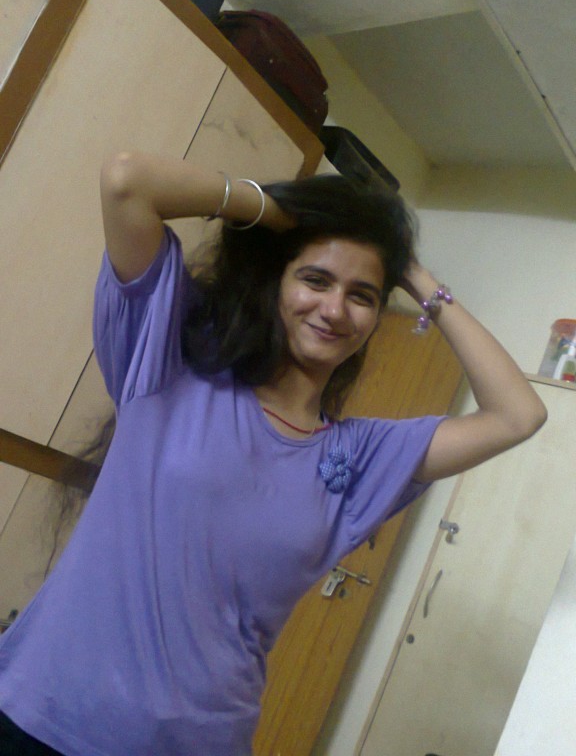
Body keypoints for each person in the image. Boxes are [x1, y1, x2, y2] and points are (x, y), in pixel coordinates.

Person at [0, 152, 547, 756]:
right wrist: (283, 213)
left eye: (362, 295)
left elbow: (518, 414)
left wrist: (412, 272)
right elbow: (126, 182)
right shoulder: (172, 359)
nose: (334, 309)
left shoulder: (358, 457)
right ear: (277, 281)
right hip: (38, 714)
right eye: (315, 279)